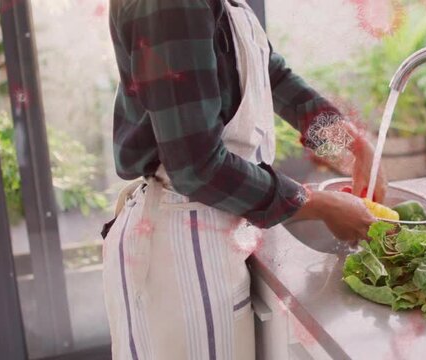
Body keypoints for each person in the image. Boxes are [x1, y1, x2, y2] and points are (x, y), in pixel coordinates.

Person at [102, 0, 387, 359]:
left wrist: (349, 141)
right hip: (180, 246)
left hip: (214, 230)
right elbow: (195, 166)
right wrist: (315, 203)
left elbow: (269, 74)